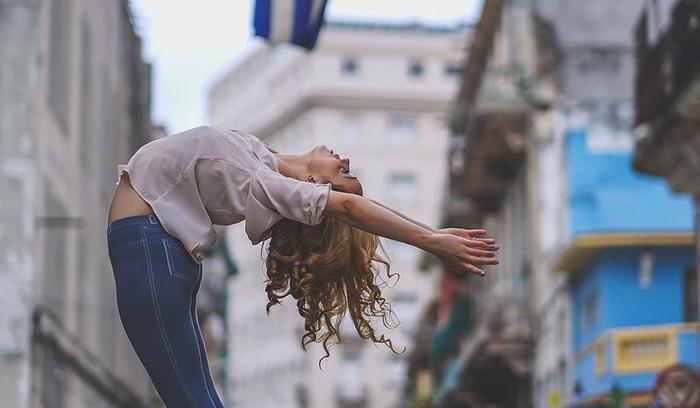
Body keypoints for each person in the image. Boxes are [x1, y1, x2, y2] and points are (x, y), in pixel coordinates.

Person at [106, 125, 499, 407]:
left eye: (343, 172)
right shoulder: (262, 158)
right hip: (159, 255)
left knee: (192, 400)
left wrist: (431, 241)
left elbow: (349, 207)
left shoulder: (267, 184)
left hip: (150, 252)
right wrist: (430, 232)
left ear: (314, 187)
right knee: (195, 398)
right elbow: (351, 208)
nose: (344, 158)